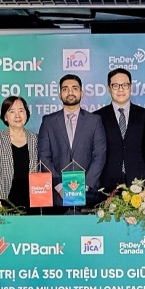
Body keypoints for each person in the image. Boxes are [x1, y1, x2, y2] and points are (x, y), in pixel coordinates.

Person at [38, 74, 107, 208]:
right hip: (58, 194)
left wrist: (84, 186)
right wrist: (59, 186)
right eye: (65, 89)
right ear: (60, 95)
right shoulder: (48, 122)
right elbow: (44, 157)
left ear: (81, 93)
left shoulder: (94, 121)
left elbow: (99, 155)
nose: (70, 92)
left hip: (88, 194)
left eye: (74, 88)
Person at [93, 68, 145, 193]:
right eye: (115, 85)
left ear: (130, 87)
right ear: (109, 88)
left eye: (125, 85)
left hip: (139, 181)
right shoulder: (97, 117)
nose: (120, 89)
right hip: (107, 183)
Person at [0, 96, 40, 212]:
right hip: (2, 200)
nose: (17, 115)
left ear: (26, 114)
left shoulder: (36, 139)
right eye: (12, 111)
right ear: (5, 116)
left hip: (32, 200)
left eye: (21, 111)